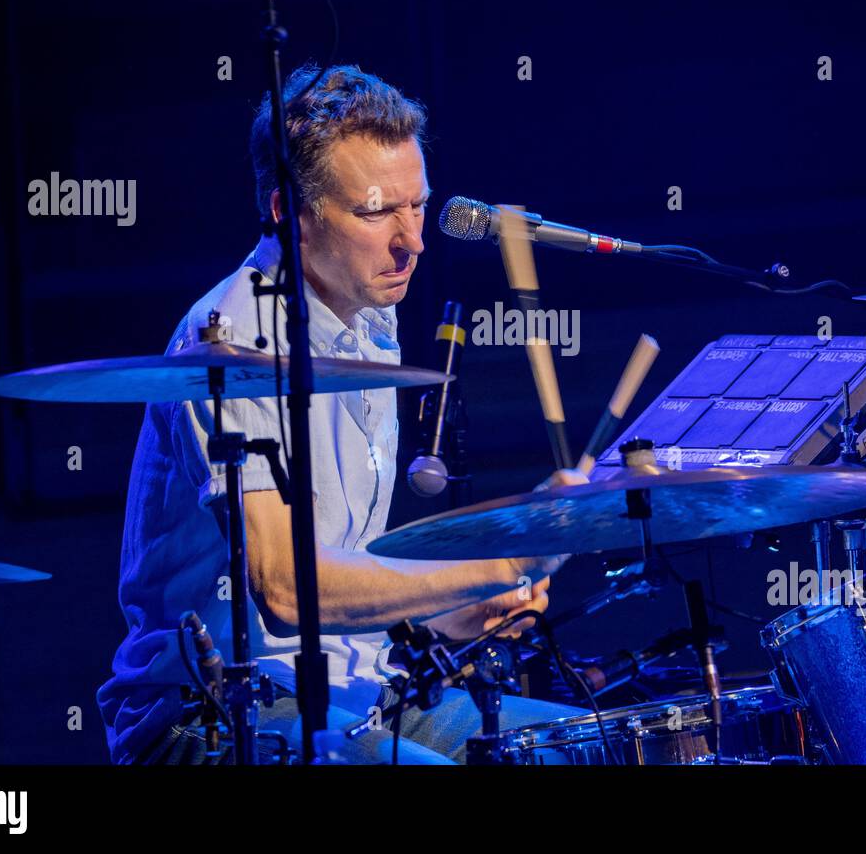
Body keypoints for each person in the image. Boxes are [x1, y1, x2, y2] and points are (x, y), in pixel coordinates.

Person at [97, 64, 576, 764]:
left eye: (417, 205)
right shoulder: (230, 342)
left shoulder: (371, 321)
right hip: (214, 714)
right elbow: (288, 591)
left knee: (570, 751)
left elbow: (345, 572)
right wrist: (496, 562)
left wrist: (451, 613)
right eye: (378, 212)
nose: (412, 240)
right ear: (286, 210)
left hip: (362, 689)